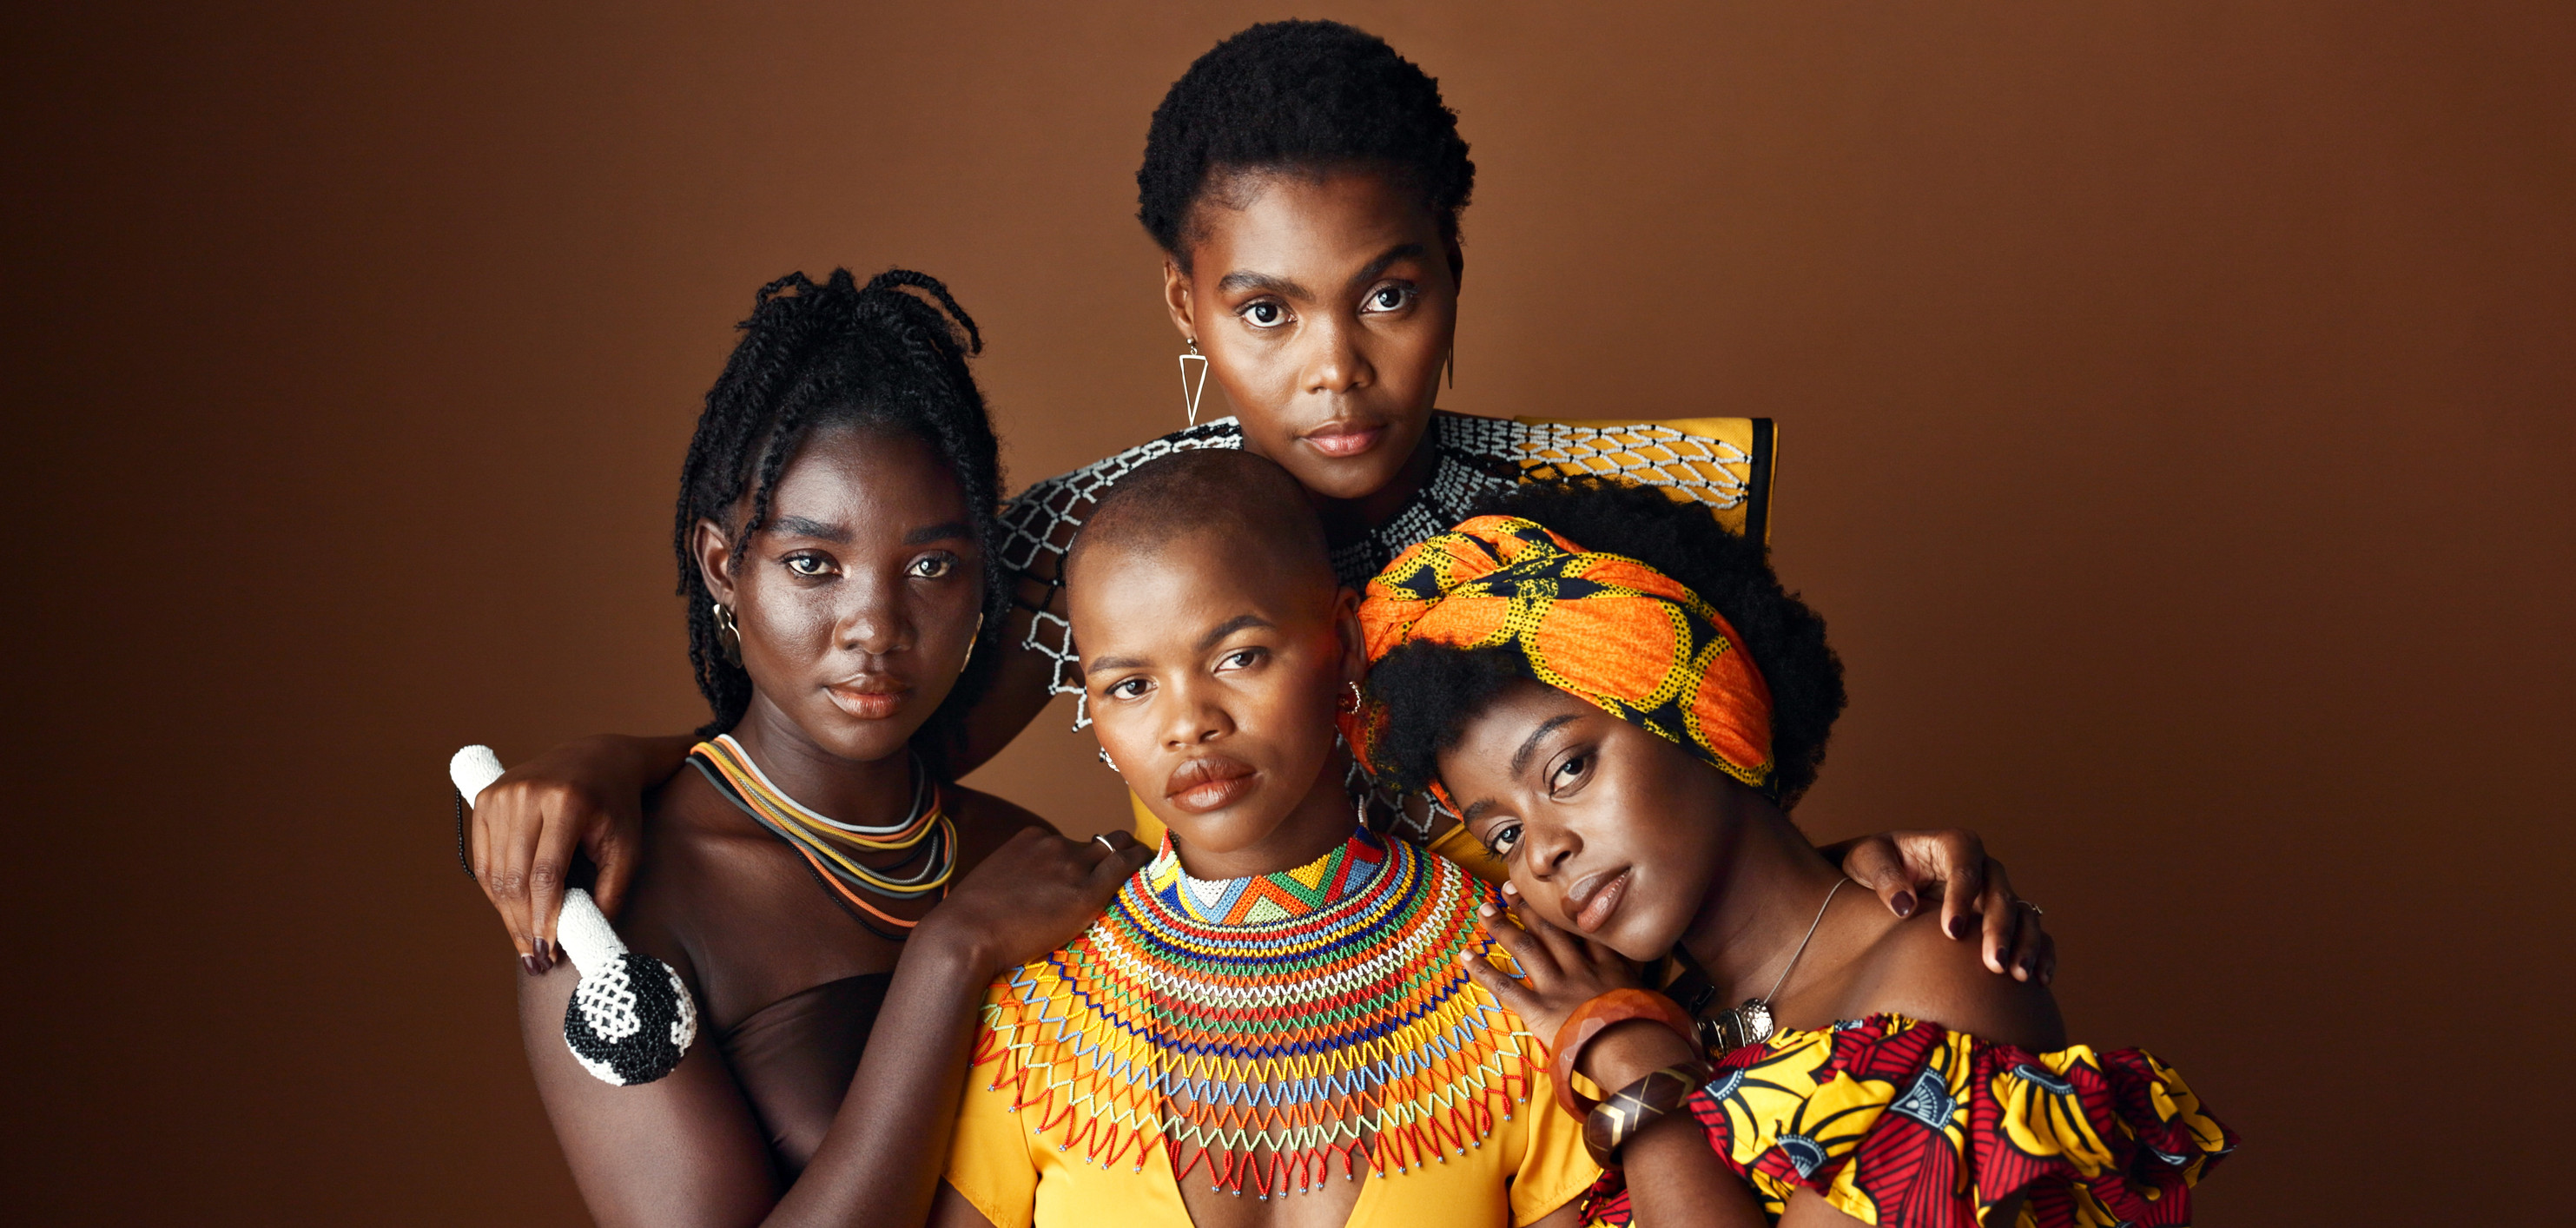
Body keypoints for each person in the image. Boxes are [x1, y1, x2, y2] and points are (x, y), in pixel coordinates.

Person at [467, 18, 2046, 1004]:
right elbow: (843, 751)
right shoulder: (1094, 554)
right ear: (1189, 303)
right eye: (1270, 312)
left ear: (1452, 275)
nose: (1338, 370)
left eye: (1391, 295)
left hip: (1571, 1125)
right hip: (1251, 1105)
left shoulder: (1598, 509)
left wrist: (1879, 878)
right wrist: (617, 761)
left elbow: (1719, 856)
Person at [1359, 480, 2236, 1227]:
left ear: (1702, 709)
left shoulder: (1937, 972)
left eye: (1568, 767)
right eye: (1502, 832)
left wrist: (1637, 1073)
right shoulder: (1637, 999)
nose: (1541, 852)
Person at [514, 267, 1153, 1228]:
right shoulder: (615, 907)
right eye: (813, 564)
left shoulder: (1023, 857)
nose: (875, 625)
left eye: (932, 567)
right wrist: (949, 957)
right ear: (724, 566)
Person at [930, 449, 1596, 1228]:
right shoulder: (1033, 1011)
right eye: (1131, 687)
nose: (1188, 724)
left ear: (1343, 642)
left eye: (1238, 657)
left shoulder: (1517, 978)